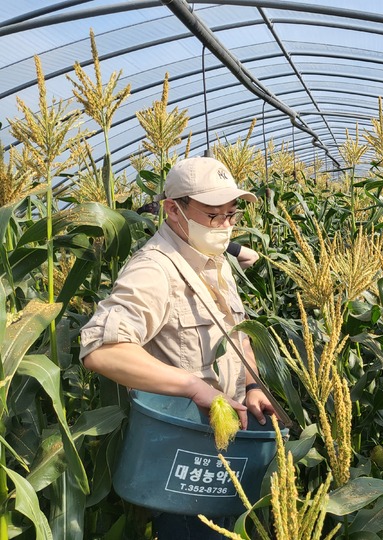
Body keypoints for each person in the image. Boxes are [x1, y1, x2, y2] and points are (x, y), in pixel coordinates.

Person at [81, 156, 275, 539]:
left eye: (232, 215)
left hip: (230, 445)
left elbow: (238, 332)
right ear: (173, 209)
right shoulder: (155, 269)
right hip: (187, 454)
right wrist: (193, 387)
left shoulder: (213, 260)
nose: (225, 226)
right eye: (213, 215)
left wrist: (252, 386)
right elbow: (101, 350)